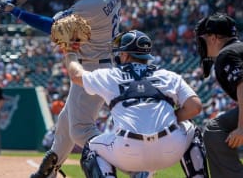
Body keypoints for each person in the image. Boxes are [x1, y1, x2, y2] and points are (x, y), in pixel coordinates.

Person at [0, 0, 122, 177]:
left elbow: (56, 28)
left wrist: (18, 12)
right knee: (66, 124)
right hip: (100, 63)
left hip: (92, 70)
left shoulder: (90, 5)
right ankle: (48, 172)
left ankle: (132, 166)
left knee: (81, 130)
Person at [60, 29, 209, 177]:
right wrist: (172, 117)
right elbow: (195, 107)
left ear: (125, 55)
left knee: (91, 148)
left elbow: (76, 75)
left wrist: (69, 52)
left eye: (120, 53)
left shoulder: (111, 75)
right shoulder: (168, 76)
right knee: (191, 128)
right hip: (170, 150)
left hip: (128, 151)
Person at [195, 13, 243, 177]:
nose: (201, 43)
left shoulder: (227, 54)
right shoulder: (238, 48)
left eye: (204, 38)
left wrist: (241, 127)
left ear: (214, 37)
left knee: (215, 129)